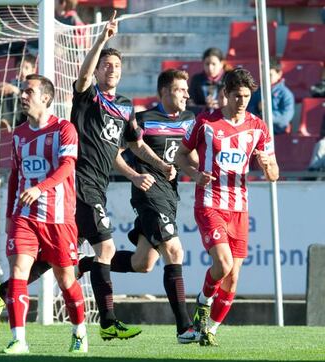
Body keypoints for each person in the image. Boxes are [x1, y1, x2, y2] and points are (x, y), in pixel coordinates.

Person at [0, 11, 173, 341]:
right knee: (105, 248)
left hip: (96, 187)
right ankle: (107, 322)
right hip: (80, 182)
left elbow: (132, 145)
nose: (111, 70)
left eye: (116, 66)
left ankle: (4, 291)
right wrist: (102, 39)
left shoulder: (127, 107)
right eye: (106, 65)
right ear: (99, 70)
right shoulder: (88, 97)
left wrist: (158, 166)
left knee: (58, 260)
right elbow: (83, 76)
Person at [75, 69, 201, 344]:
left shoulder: (190, 120)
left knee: (142, 263)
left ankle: (85, 263)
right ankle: (184, 328)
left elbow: (187, 158)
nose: (187, 94)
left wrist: (198, 172)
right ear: (165, 92)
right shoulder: (142, 120)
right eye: (181, 89)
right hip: (148, 195)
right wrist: (135, 175)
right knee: (174, 250)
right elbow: (115, 154)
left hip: (170, 196)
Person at [175, 68, 279, 346]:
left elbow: (274, 175)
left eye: (247, 96)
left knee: (232, 279)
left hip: (240, 208)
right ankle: (203, 299)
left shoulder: (258, 127)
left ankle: (209, 329)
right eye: (237, 96)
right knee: (223, 262)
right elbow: (181, 156)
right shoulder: (206, 122)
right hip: (210, 202)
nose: (242, 101)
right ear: (226, 94)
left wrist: (267, 165)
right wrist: (196, 175)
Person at [0, 73, 87, 354]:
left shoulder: (64, 129)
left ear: (46, 98)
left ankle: (79, 332)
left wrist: (40, 188)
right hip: (24, 215)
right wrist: (8, 214)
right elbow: (15, 175)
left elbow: (67, 167)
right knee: (18, 273)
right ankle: (19, 340)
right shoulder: (19, 134)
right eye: (22, 91)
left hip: (58, 217)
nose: (23, 96)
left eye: (29, 91)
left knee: (66, 280)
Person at [0, 54, 37, 131]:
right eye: (19, 67)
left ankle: (6, 121)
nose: (22, 71)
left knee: (11, 92)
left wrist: (16, 91)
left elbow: (32, 100)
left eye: (26, 68)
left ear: (33, 70)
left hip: (22, 115)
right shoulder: (14, 82)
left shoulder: (34, 84)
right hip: (10, 110)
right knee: (2, 91)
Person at [248, 58, 295, 135]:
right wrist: (257, 108)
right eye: (264, 74)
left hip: (277, 132)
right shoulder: (257, 92)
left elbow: (286, 117)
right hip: (257, 131)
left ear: (279, 74)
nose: (266, 77)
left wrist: (267, 114)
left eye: (270, 74)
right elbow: (248, 112)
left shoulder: (286, 94)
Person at [188, 47, 228, 114]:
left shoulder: (228, 79)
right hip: (201, 117)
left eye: (213, 64)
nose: (210, 68)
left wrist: (220, 106)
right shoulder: (197, 80)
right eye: (207, 64)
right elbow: (190, 105)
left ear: (221, 64)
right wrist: (205, 107)